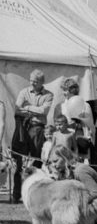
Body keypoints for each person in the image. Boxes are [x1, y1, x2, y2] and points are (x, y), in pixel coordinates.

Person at [13, 69, 53, 200]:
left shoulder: (49, 95)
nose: (32, 83)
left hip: (37, 129)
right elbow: (17, 109)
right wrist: (33, 111)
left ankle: (35, 194)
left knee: (36, 161)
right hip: (23, 129)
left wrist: (28, 107)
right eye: (31, 80)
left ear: (42, 82)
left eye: (35, 81)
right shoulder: (23, 92)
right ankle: (17, 194)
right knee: (21, 161)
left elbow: (44, 111)